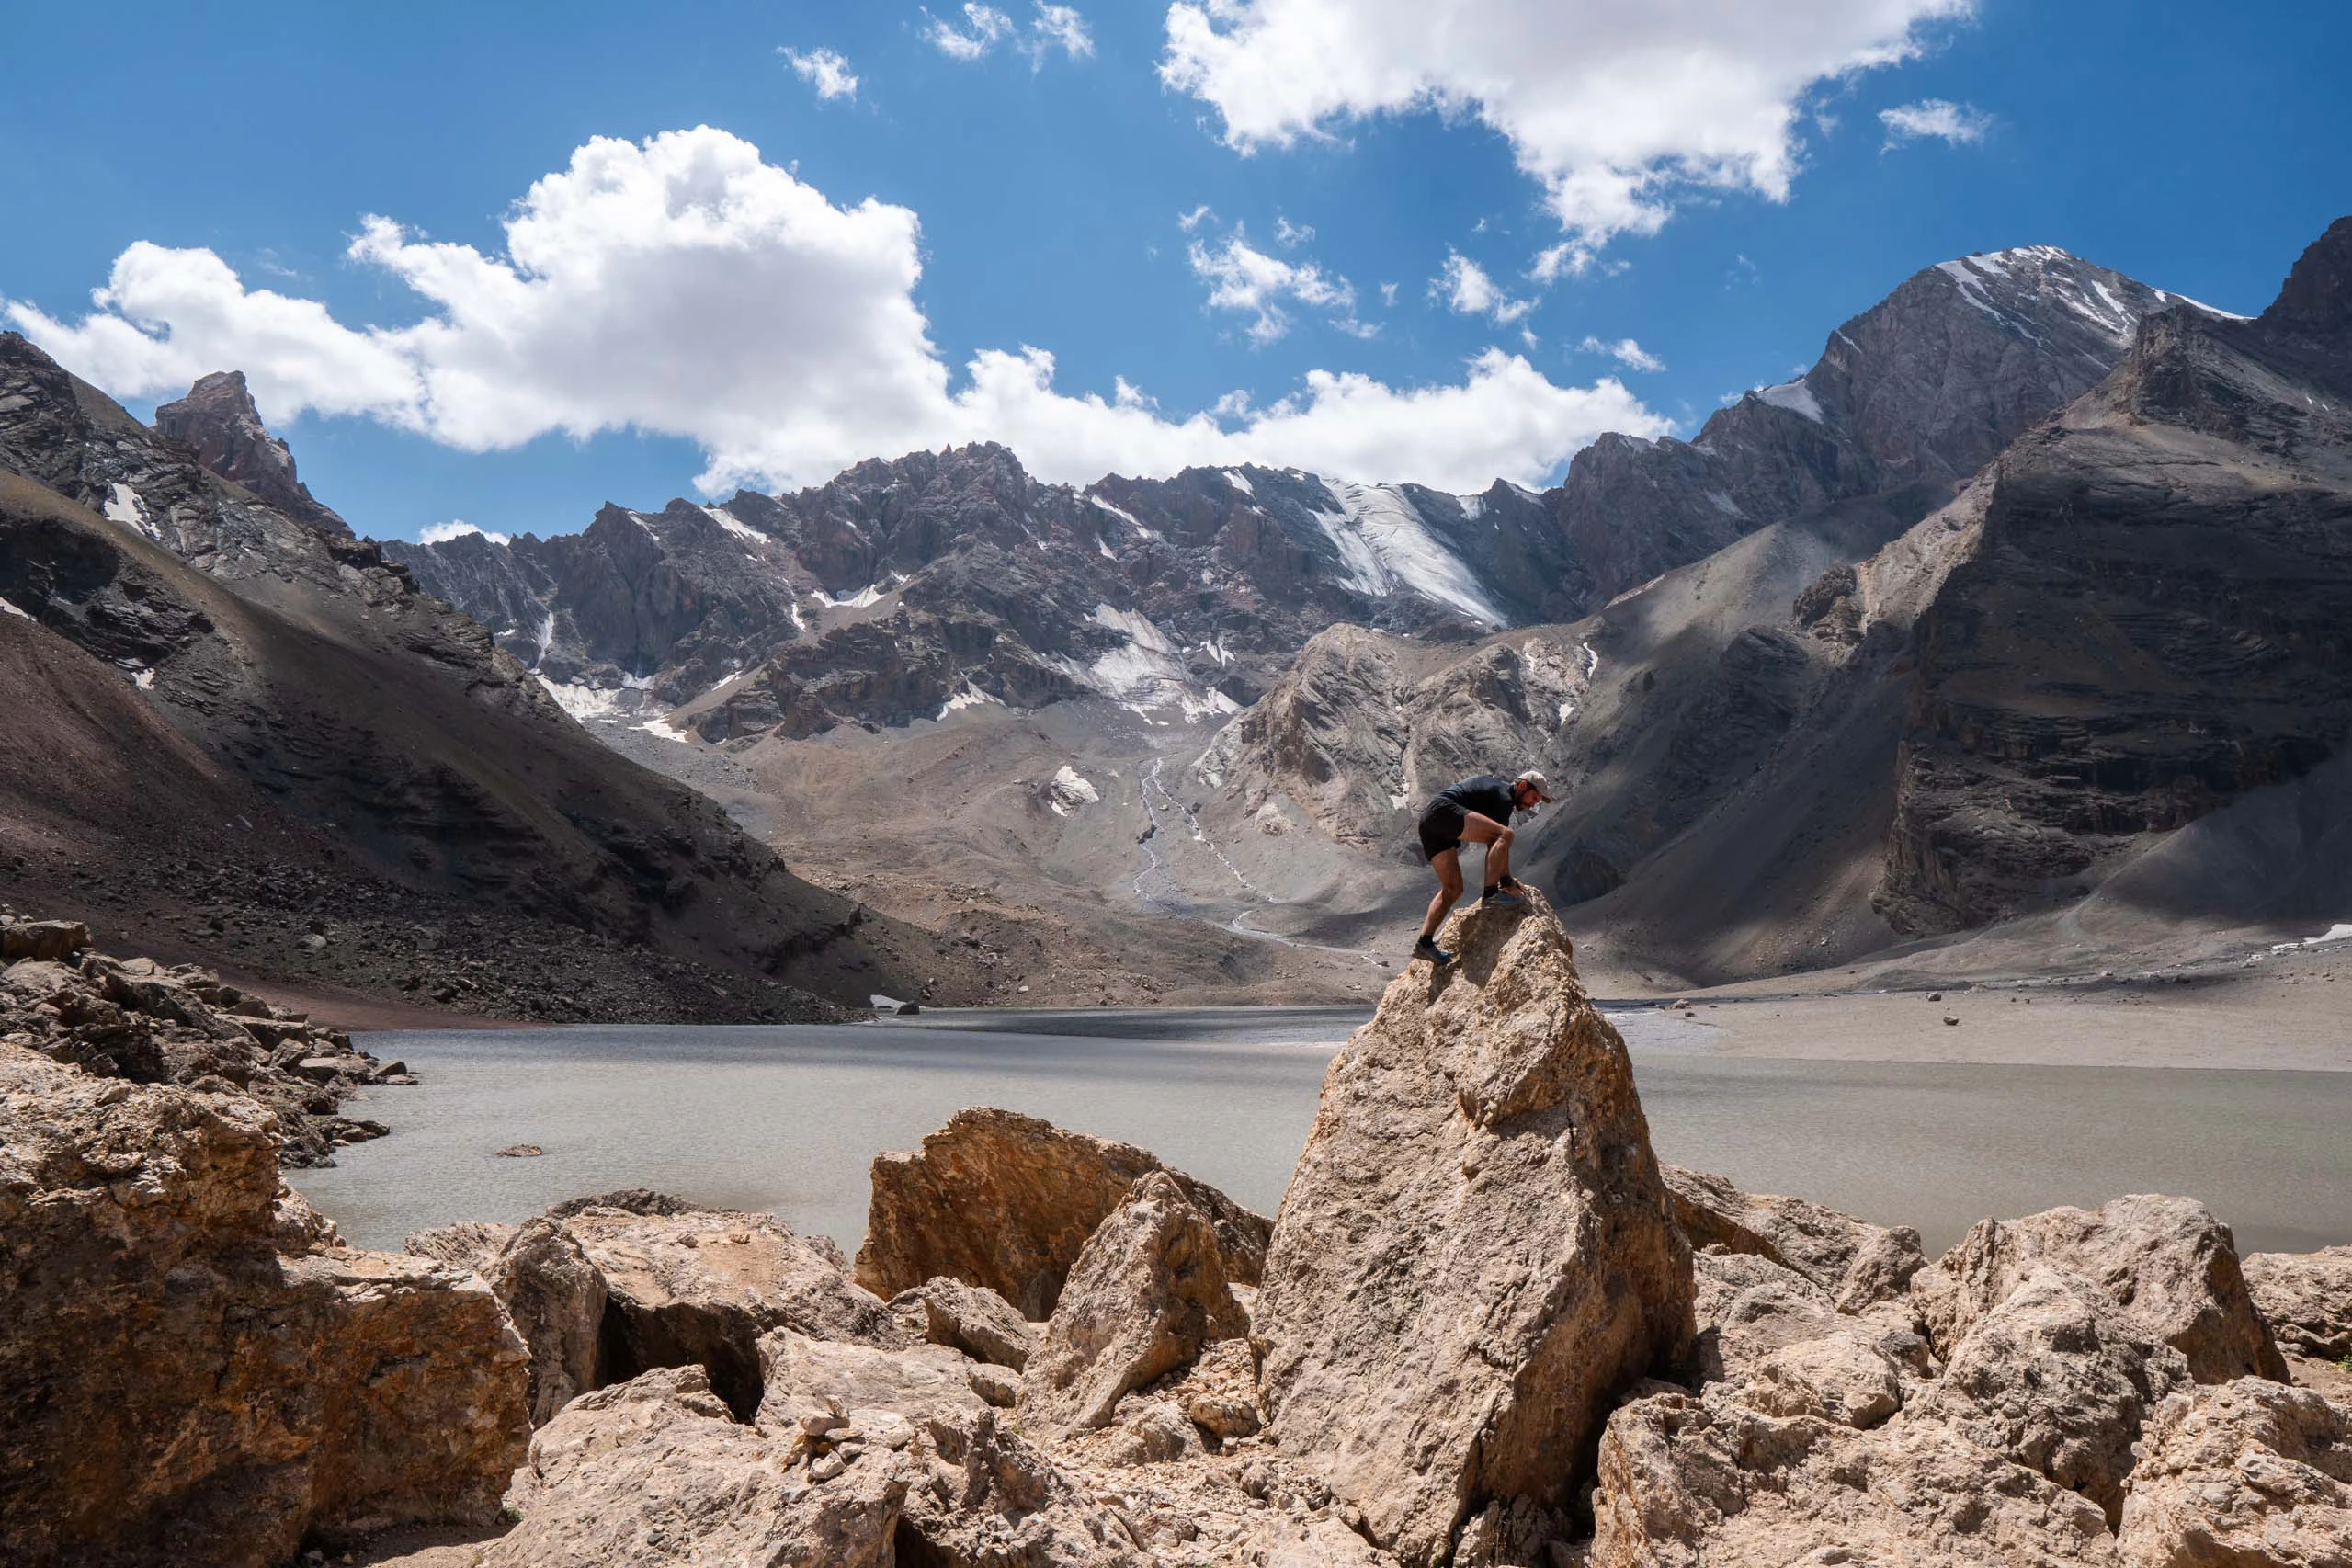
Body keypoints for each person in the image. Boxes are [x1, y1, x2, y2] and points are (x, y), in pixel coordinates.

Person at [1411, 769, 1553, 966]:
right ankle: (1491, 894)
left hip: (1430, 822)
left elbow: (1495, 845)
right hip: (1444, 811)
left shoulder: (1499, 795)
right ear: (1521, 786)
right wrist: (1506, 881)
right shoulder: (1503, 798)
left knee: (1453, 889)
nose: (1533, 803)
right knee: (1506, 834)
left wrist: (1508, 879)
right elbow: (1498, 841)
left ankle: (1424, 943)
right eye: (1534, 797)